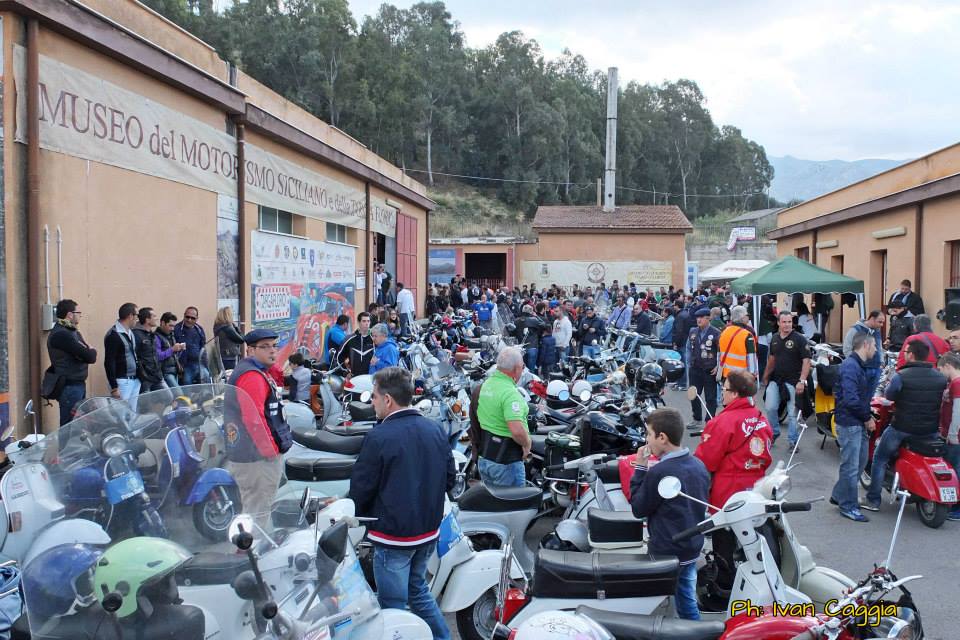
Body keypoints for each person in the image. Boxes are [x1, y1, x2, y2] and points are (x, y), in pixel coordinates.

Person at [349, 367, 454, 638]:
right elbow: (450, 480)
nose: (371, 402)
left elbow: (361, 488)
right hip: (428, 530)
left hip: (393, 535)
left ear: (387, 400)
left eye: (373, 397)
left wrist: (361, 518)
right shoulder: (434, 429)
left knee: (393, 605)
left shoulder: (379, 436)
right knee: (418, 592)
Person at [694, 369, 773, 589]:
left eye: (725, 389)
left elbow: (706, 461)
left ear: (735, 394)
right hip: (755, 489)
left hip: (727, 493)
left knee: (724, 542)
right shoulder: (760, 418)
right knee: (753, 541)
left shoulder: (723, 421)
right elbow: (766, 456)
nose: (722, 393)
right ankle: (759, 582)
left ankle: (724, 587)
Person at [630, 408, 710, 621]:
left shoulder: (661, 472)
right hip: (691, 545)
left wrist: (640, 468)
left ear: (662, 437)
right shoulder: (698, 465)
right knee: (684, 590)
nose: (647, 440)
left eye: (649, 434)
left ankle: (694, 632)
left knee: (682, 600)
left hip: (668, 548)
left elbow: (638, 508)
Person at [864, 339, 947, 512]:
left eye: (906, 351)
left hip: (902, 428)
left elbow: (889, 395)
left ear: (912, 355)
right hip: (929, 430)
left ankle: (873, 500)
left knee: (880, 458)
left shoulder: (901, 375)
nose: (904, 354)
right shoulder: (940, 377)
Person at [225, 328, 292, 527]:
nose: (273, 351)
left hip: (252, 455)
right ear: (250, 350)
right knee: (257, 514)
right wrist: (270, 451)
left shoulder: (257, 371)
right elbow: (254, 420)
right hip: (256, 458)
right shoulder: (251, 376)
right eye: (265, 347)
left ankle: (252, 552)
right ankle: (251, 555)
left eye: (274, 346)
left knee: (257, 510)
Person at [830, 332, 878, 522]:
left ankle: (839, 495)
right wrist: (867, 418)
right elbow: (851, 399)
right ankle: (848, 506)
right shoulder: (851, 367)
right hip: (851, 422)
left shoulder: (856, 365)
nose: (876, 349)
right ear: (865, 345)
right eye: (874, 345)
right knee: (851, 465)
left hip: (855, 421)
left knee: (859, 461)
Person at [475, 348, 531, 487]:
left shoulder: (486, 385)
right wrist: (527, 444)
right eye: (522, 366)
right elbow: (517, 431)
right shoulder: (510, 393)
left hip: (485, 459)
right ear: (517, 368)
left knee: (494, 505)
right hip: (506, 463)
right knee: (513, 506)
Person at [761, 310, 810, 448]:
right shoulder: (775, 338)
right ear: (778, 323)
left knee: (792, 413)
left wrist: (802, 381)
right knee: (770, 408)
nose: (787, 325)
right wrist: (765, 376)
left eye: (790, 322)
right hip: (776, 380)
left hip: (794, 380)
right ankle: (774, 433)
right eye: (784, 322)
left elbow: (807, 361)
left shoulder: (800, 339)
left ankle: (792, 441)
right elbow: (772, 360)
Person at [46, 299, 97, 425]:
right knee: (69, 425)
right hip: (70, 386)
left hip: (77, 384)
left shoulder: (72, 331)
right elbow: (90, 356)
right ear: (70, 314)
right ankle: (65, 446)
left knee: (77, 424)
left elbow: (86, 354)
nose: (80, 315)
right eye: (78, 312)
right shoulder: (61, 335)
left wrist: (88, 351)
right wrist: (91, 350)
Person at [686, 308, 722, 433]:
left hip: (709, 369)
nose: (699, 320)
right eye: (697, 317)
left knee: (710, 397)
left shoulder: (716, 333)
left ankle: (709, 420)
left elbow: (721, 352)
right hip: (695, 368)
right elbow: (688, 349)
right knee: (693, 395)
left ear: (708, 318)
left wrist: (718, 366)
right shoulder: (693, 331)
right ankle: (697, 418)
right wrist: (689, 363)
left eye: (702, 317)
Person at [104, 302, 141, 409]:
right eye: (136, 316)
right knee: (121, 414)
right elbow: (109, 362)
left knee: (132, 413)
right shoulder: (113, 335)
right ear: (130, 316)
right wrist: (114, 387)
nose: (137, 319)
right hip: (122, 382)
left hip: (134, 380)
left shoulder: (130, 332)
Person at [937, 352, 960, 521]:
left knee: (955, 470)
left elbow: (958, 411)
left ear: (947, 366)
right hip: (952, 434)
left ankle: (956, 508)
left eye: (940, 369)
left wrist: (952, 434)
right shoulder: (953, 383)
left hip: (955, 437)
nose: (939, 373)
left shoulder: (957, 384)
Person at [842, 310, 884, 392]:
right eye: (880, 322)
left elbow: (879, 347)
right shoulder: (855, 329)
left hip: (875, 369)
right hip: (861, 369)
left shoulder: (877, 331)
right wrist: (856, 365)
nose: (881, 325)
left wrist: (881, 362)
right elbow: (847, 349)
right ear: (872, 319)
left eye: (882, 322)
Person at [132, 307, 167, 393]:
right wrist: (142, 373)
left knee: (168, 398)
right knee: (146, 404)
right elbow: (134, 356)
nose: (156, 318)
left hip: (157, 376)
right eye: (154, 316)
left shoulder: (152, 334)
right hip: (145, 378)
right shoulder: (136, 334)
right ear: (147, 320)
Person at [718, 306, 758, 379]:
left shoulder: (724, 332)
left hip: (726, 375)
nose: (748, 317)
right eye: (747, 315)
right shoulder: (747, 335)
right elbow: (751, 358)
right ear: (742, 317)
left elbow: (719, 354)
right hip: (741, 376)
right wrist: (753, 375)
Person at [174, 306, 209, 384]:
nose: (189, 320)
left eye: (192, 318)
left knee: (207, 379)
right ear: (184, 315)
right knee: (187, 384)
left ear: (197, 318)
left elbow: (203, 348)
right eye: (187, 317)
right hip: (185, 366)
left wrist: (206, 365)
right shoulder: (177, 329)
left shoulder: (199, 329)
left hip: (199, 364)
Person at [156, 312, 186, 393]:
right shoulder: (156, 337)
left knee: (176, 398)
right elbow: (158, 356)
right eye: (170, 325)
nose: (172, 329)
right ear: (162, 323)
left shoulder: (171, 335)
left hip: (174, 370)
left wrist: (179, 349)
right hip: (165, 373)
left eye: (174, 326)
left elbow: (174, 356)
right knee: (180, 395)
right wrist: (172, 349)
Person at [213, 306, 245, 370]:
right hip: (229, 356)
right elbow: (241, 339)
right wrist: (236, 327)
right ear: (228, 315)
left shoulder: (217, 326)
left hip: (221, 355)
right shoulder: (227, 328)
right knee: (229, 376)